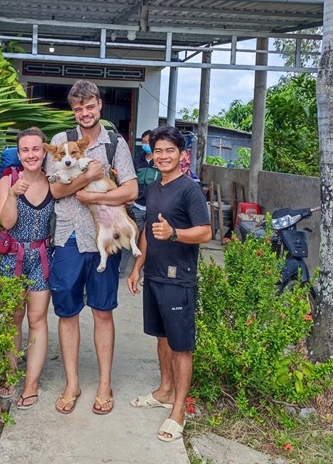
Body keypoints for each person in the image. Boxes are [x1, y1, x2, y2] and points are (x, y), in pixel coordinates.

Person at [46, 80, 138, 416]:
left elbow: (130, 191)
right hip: (68, 237)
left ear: (99, 105)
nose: (85, 113)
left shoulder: (116, 144)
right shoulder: (60, 142)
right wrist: (86, 178)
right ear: (73, 111)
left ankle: (104, 385)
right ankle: (72, 384)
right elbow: (55, 191)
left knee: (102, 311)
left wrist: (92, 196)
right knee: (67, 313)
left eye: (90, 106)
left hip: (107, 240)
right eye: (78, 108)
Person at [126, 125, 212, 442]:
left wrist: (175, 234)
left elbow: (205, 232)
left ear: (181, 155)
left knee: (180, 345)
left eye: (169, 151)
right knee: (162, 337)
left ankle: (178, 410)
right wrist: (137, 267)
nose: (162, 156)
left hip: (179, 278)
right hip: (155, 274)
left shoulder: (189, 190)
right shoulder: (155, 187)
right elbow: (149, 230)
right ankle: (164, 390)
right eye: (157, 150)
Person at [0, 127, 54, 409]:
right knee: (12, 319)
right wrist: (14, 195)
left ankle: (31, 384)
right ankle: (9, 375)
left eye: (36, 149)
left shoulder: (53, 181)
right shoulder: (9, 179)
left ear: (44, 151)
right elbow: (6, 223)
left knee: (38, 320)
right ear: (18, 154)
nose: (31, 155)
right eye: (25, 150)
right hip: (13, 258)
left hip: (41, 258)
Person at [120, 129, 160, 276]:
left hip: (154, 207)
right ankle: (120, 269)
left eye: (148, 142)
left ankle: (149, 271)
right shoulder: (136, 161)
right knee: (129, 236)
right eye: (143, 142)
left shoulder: (160, 162)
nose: (145, 145)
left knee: (152, 240)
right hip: (136, 206)